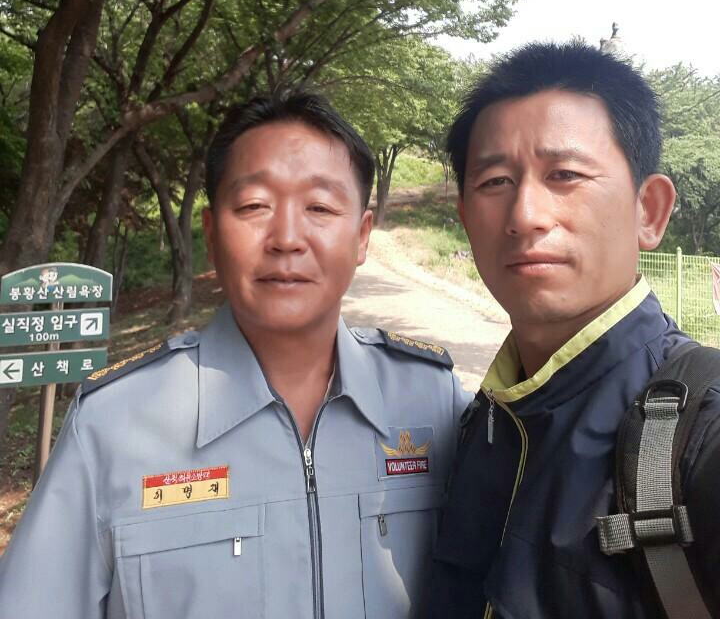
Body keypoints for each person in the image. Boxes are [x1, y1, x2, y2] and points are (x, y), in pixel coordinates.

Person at [0, 91, 469, 619]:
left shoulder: (432, 401)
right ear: (211, 233)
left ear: (362, 236)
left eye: (319, 207)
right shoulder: (113, 425)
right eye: (253, 207)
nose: (287, 238)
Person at [426, 41, 720, 618]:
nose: (525, 215)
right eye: (495, 182)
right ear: (465, 218)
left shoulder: (700, 431)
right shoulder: (481, 424)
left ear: (649, 211)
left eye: (565, 174)